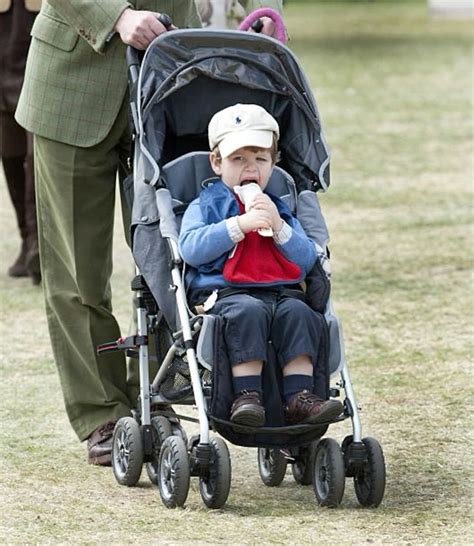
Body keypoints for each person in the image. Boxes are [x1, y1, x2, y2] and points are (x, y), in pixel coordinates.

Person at [14, 1, 284, 466]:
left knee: (173, 260)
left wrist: (266, 9)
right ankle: (103, 411)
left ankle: (157, 396)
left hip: (175, 79)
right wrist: (114, 16)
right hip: (72, 81)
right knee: (78, 272)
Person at [178, 104, 343, 426]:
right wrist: (239, 225)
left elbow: (306, 259)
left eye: (260, 159)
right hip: (227, 294)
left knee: (301, 315)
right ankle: (246, 395)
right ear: (217, 162)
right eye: (238, 159)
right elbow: (190, 249)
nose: (250, 167)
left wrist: (280, 228)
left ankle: (300, 396)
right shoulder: (206, 205)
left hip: (281, 292)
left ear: (273, 164)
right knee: (246, 314)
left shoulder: (279, 207)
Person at [0, 0, 41, 285]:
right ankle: (27, 239)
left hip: (36, 75)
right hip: (2, 75)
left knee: (37, 162)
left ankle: (38, 244)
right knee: (10, 155)